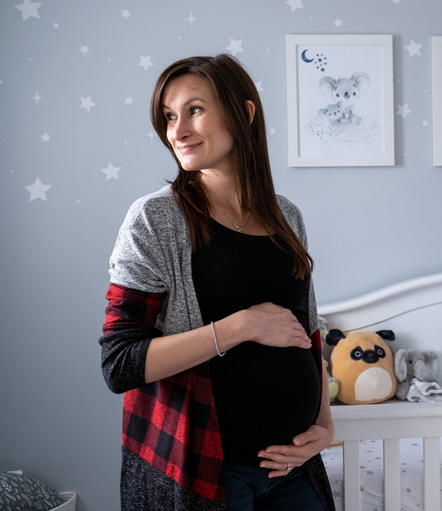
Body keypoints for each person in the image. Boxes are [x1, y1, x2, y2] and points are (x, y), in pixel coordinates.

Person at [98, 54, 335, 511]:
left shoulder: (287, 217)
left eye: (194, 110)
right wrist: (241, 326)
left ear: (243, 113)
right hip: (207, 472)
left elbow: (308, 332)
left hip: (291, 469)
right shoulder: (156, 219)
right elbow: (119, 362)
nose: (177, 131)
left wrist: (325, 426)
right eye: (169, 116)